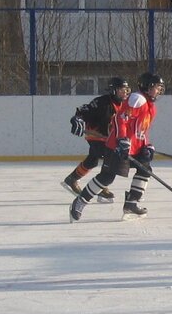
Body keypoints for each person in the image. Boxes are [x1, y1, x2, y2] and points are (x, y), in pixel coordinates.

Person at [70, 72, 165, 222]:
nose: (159, 90)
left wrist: (147, 146)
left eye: (160, 87)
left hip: (134, 147)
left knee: (145, 170)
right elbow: (121, 119)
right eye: (157, 87)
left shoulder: (151, 108)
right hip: (117, 145)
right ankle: (80, 201)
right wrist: (122, 139)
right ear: (147, 87)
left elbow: (141, 131)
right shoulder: (137, 99)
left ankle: (131, 203)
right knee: (107, 177)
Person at [63, 77, 130, 201]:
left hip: (109, 139)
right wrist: (77, 118)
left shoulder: (125, 105)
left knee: (93, 160)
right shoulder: (102, 102)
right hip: (96, 136)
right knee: (112, 157)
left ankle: (72, 179)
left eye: (126, 89)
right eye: (122, 89)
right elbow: (84, 110)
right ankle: (100, 186)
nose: (125, 92)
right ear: (113, 90)